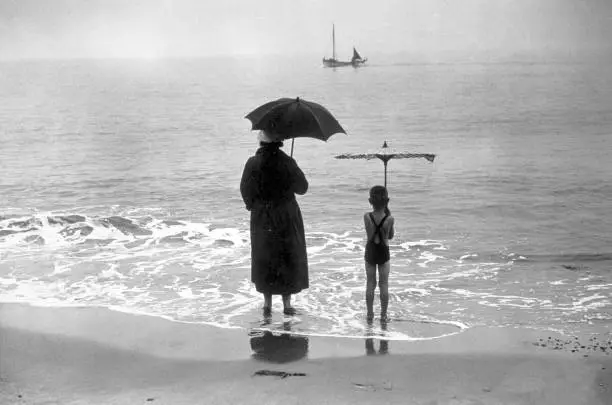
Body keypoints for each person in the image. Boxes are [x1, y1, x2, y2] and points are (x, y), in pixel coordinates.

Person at [240, 129, 309, 316]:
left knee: (265, 257)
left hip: (262, 216)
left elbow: (245, 190)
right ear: (279, 142)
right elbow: (302, 188)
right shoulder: (287, 162)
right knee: (286, 256)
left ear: (261, 143)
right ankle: (287, 305)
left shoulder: (252, 163)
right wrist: (291, 169)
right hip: (286, 214)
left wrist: (254, 207)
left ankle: (267, 304)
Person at [363, 185, 395, 321]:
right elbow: (390, 236)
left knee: (370, 282)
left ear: (370, 201)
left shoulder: (367, 216)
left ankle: (370, 314)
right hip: (383, 251)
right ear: (387, 201)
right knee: (384, 284)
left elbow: (370, 236)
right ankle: (383, 315)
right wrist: (387, 214)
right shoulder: (390, 218)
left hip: (370, 250)